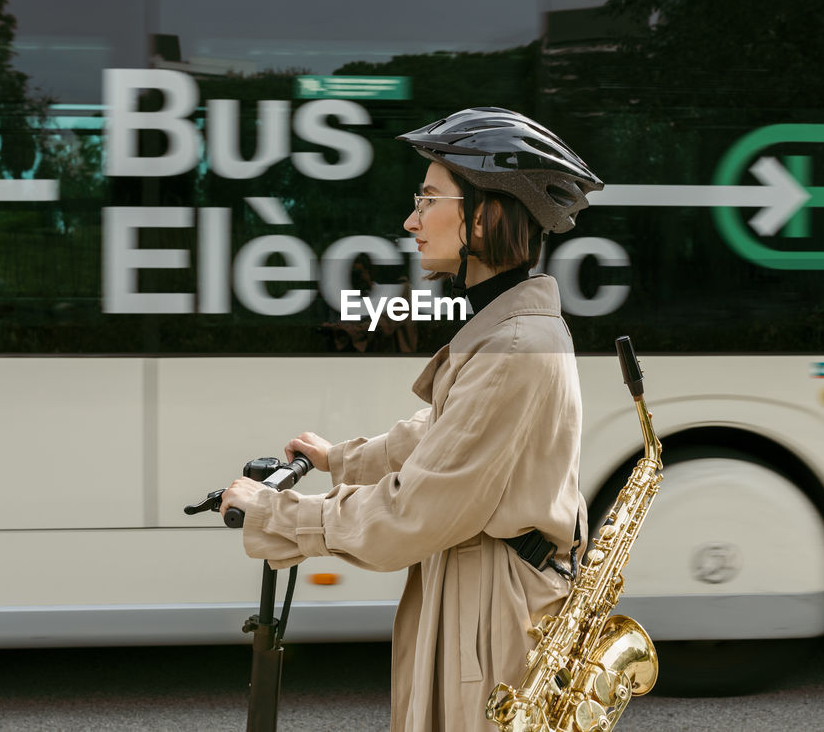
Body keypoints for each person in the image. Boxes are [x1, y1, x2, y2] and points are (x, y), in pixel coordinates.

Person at [220, 106, 604, 732]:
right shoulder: (506, 328)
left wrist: (276, 514)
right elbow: (443, 434)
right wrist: (340, 458)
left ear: (486, 214)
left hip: (489, 616)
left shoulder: (512, 347)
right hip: (483, 594)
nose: (411, 220)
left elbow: (417, 511)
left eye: (428, 200)